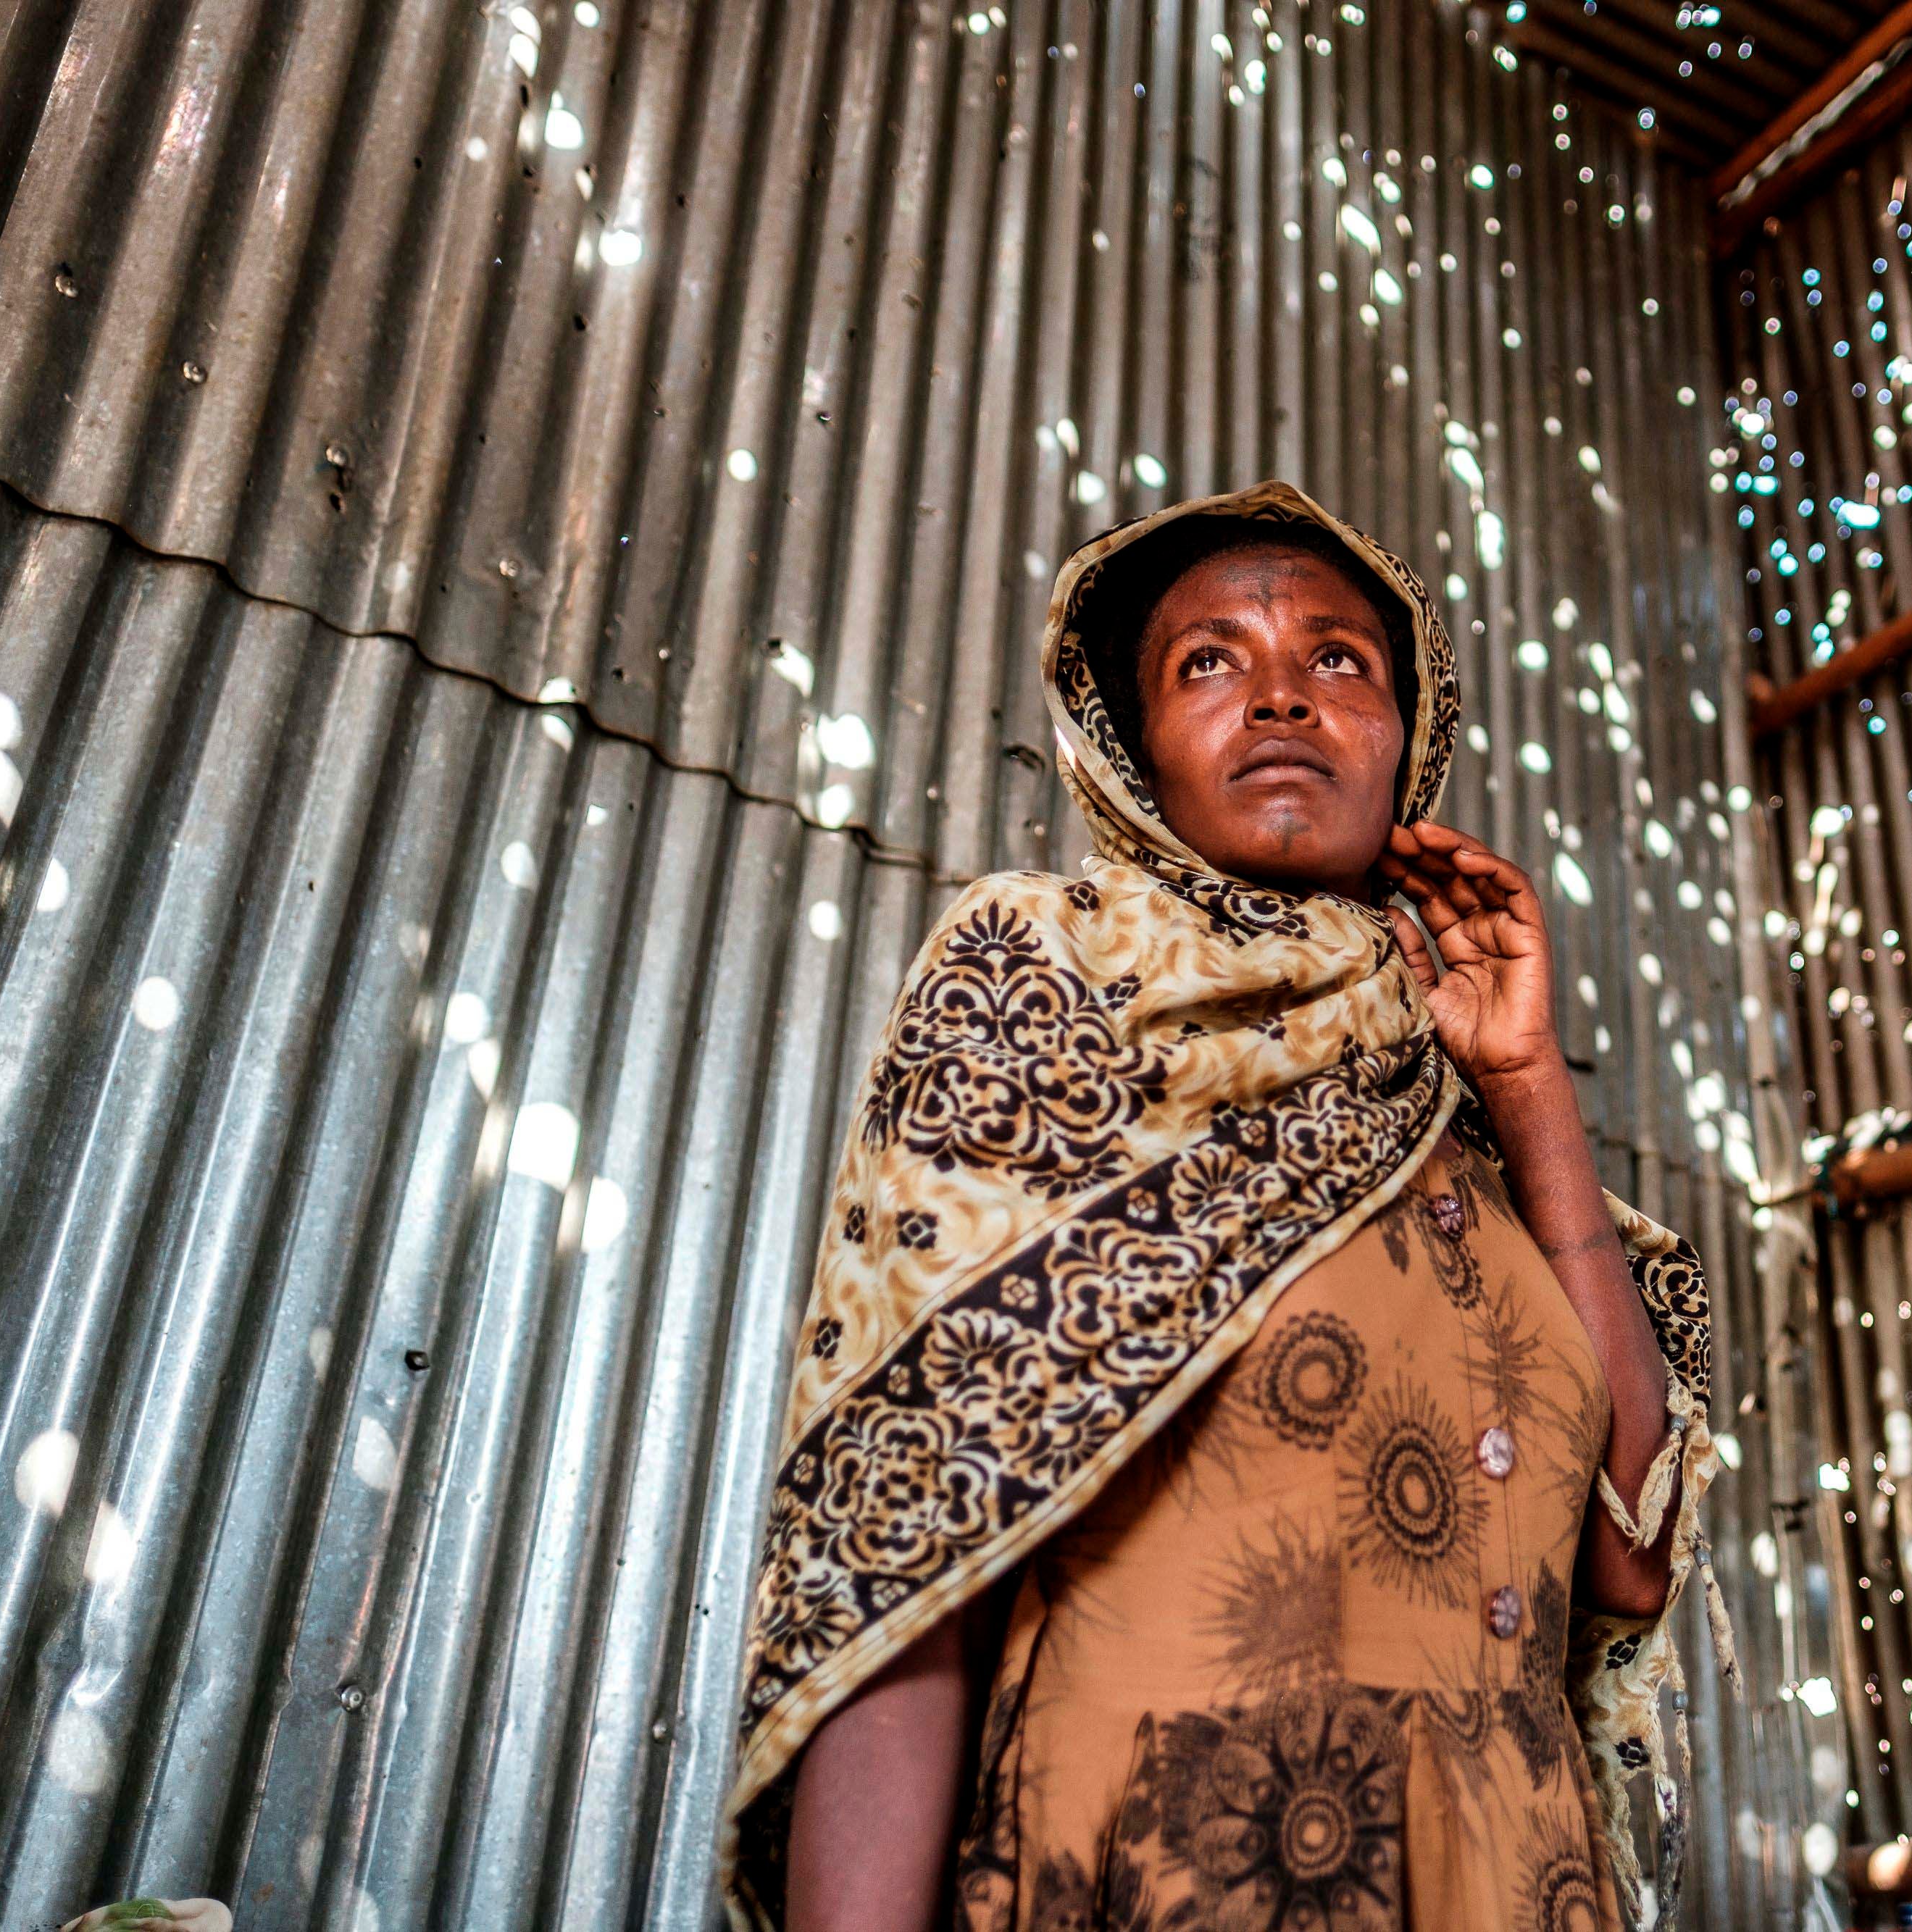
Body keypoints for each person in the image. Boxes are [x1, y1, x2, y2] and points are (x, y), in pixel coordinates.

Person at [719, 482, 1728, 1932]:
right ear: (1135, 753)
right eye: (1208, 660)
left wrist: (1525, 1083)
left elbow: (1627, 1558)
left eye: (1338, 659)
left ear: (1405, 739)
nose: (1277, 695)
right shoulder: (1041, 981)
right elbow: (904, 1534)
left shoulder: (1471, 1136)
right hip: (1165, 1869)